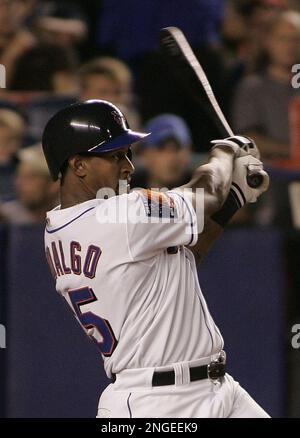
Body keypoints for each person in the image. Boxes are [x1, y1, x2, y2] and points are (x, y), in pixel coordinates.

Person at [42, 99, 270, 418]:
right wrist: (226, 152)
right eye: (115, 156)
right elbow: (205, 194)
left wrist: (232, 198)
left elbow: (181, 258)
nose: (129, 167)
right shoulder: (122, 213)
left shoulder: (58, 228)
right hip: (158, 403)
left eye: (127, 154)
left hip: (214, 388)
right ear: (78, 165)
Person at [0, 143, 59, 224]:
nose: (19, 183)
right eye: (18, 176)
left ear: (54, 185)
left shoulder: (69, 219)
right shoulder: (6, 218)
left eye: (29, 177)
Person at [131, 114, 192, 190]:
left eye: (177, 149)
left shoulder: (203, 190)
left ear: (189, 151)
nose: (171, 157)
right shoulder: (124, 192)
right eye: (162, 149)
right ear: (144, 153)